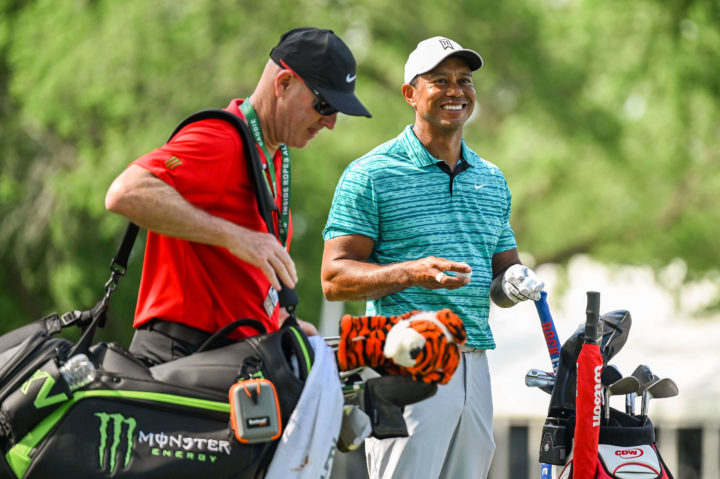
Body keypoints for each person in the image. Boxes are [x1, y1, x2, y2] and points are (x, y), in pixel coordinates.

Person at [321, 36, 544, 478]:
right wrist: (414, 273)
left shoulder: (491, 179)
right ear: (410, 94)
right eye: (440, 80)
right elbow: (334, 279)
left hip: (475, 361)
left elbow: (500, 278)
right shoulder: (371, 174)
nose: (456, 90)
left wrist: (515, 280)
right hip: (406, 361)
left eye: (464, 80)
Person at [105, 27, 371, 366]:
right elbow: (125, 192)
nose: (331, 122)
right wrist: (235, 236)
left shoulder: (269, 155)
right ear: (284, 84)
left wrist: (279, 324)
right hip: (180, 356)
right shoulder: (222, 140)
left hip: (225, 357)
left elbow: (235, 280)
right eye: (324, 104)